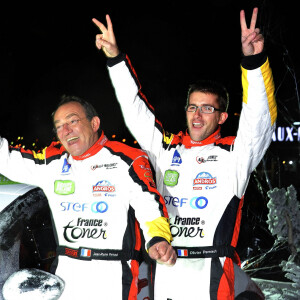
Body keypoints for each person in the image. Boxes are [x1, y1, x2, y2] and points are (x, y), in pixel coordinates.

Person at [92, 7, 277, 300]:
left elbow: (260, 119)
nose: (198, 115)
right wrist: (115, 59)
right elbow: (134, 109)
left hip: (213, 275)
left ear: (222, 117)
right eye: (192, 107)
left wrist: (253, 63)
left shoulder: (235, 154)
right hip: (166, 271)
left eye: (207, 108)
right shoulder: (166, 149)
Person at [0, 95, 177, 299]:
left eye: (72, 121)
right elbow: (5, 158)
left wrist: (158, 238)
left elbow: (149, 205)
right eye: (59, 126)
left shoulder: (128, 159)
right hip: (66, 275)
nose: (65, 131)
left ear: (94, 123)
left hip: (112, 275)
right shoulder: (52, 163)